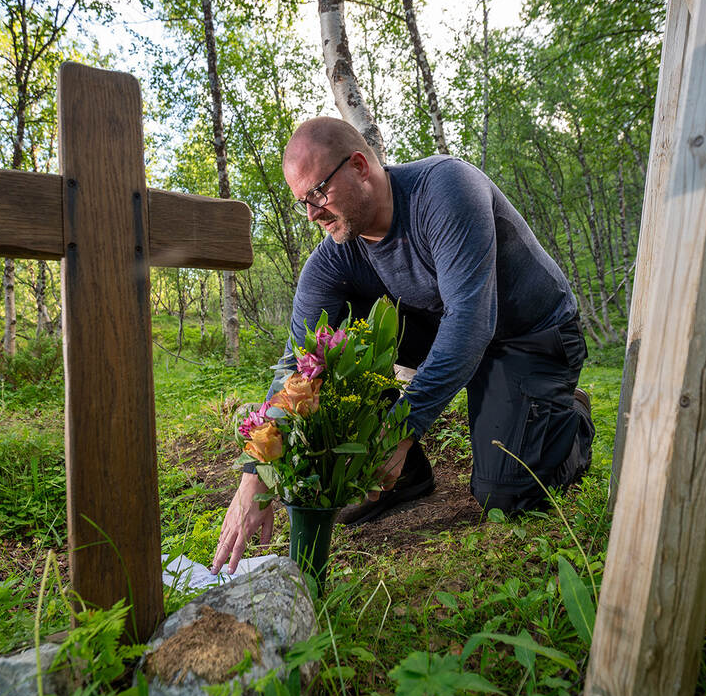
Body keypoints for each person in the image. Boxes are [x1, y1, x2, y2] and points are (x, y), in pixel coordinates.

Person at [211, 118, 594, 575]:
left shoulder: (446, 189)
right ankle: (405, 476)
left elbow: (472, 322)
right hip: (450, 331)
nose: (312, 214)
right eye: (302, 203)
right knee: (328, 351)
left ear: (358, 166)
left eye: (317, 193)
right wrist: (257, 467)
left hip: (528, 334)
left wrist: (402, 425)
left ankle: (568, 418)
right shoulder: (334, 258)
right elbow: (298, 363)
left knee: (507, 495)